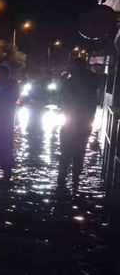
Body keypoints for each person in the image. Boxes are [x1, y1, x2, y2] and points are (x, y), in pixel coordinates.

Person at [57, 58, 99, 191]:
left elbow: (63, 98)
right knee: (77, 152)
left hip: (75, 123)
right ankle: (73, 179)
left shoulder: (72, 80)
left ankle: (64, 179)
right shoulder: (89, 80)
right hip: (79, 123)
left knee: (67, 152)